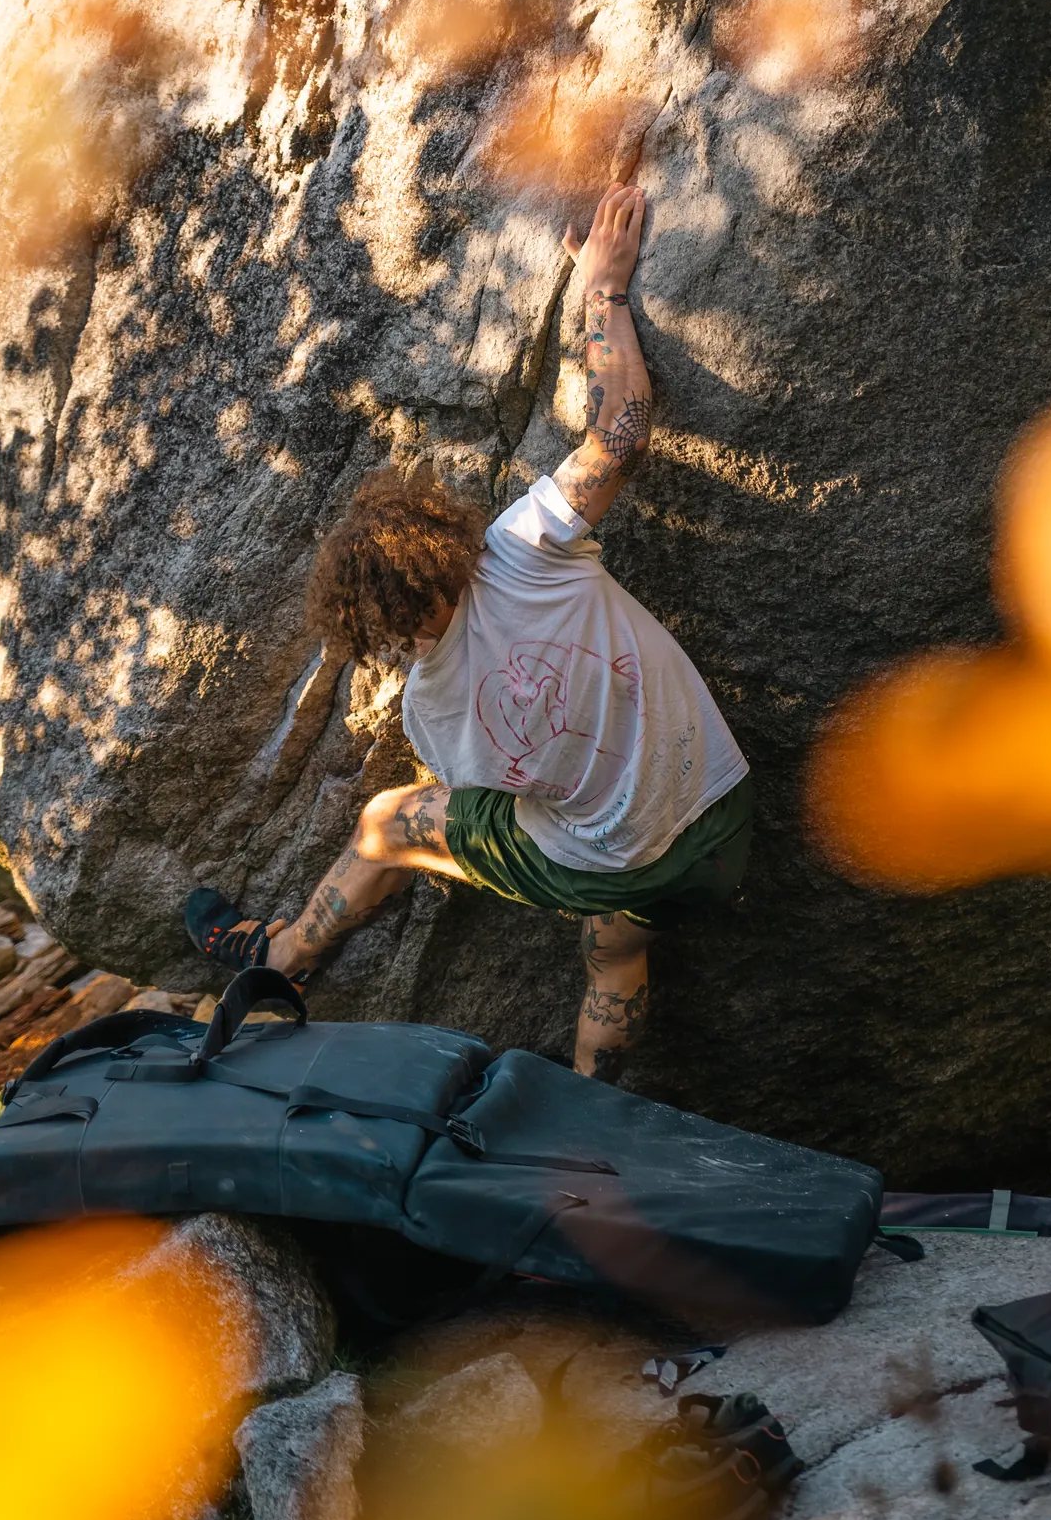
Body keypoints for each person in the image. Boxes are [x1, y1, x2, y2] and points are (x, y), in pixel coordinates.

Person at [185, 182, 752, 1081]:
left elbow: (496, 789)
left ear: (366, 626)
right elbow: (628, 426)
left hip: (616, 861)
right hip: (724, 820)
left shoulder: (432, 709)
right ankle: (593, 1108)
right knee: (620, 935)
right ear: (436, 536)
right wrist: (603, 289)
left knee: (387, 823)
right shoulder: (527, 543)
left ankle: (281, 958)